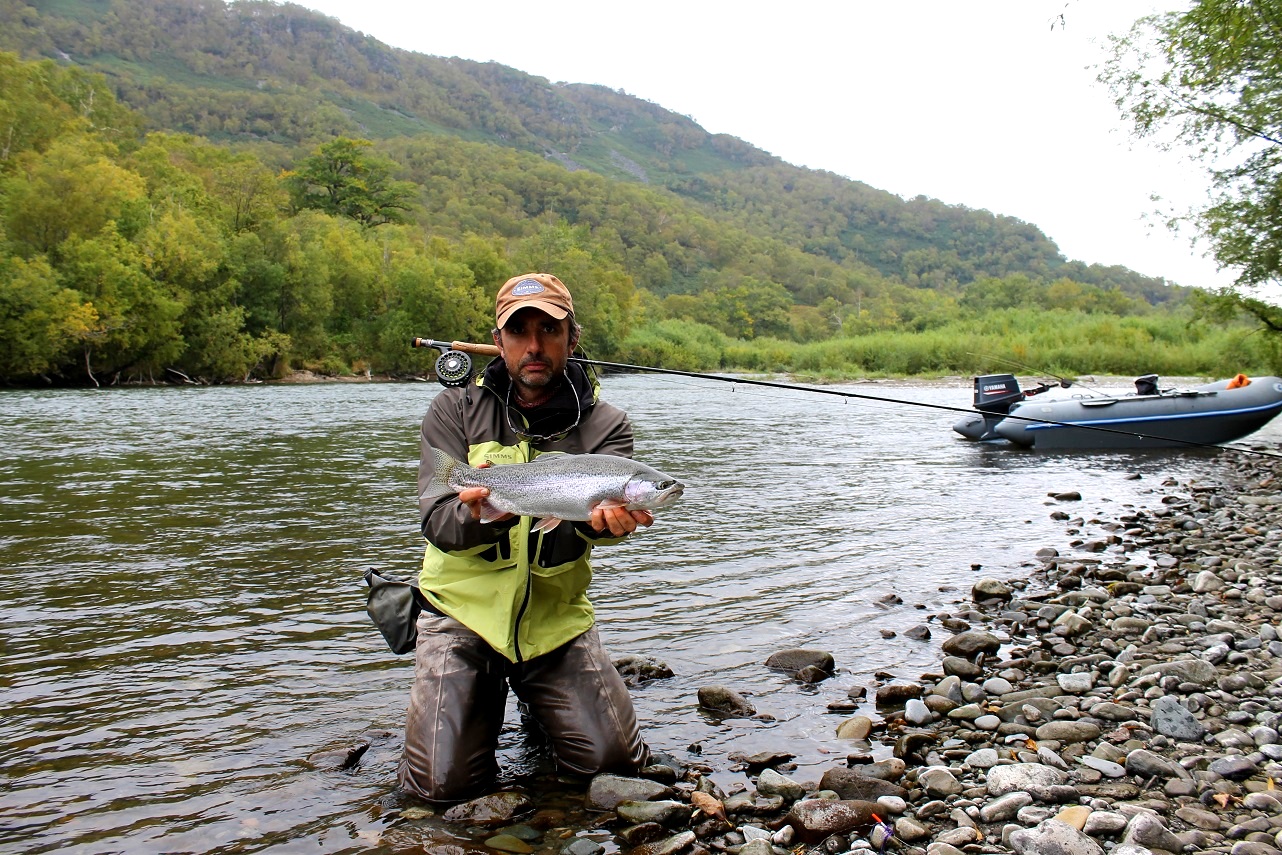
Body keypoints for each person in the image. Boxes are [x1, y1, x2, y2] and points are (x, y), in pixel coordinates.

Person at [399, 272, 653, 802]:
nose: (533, 346)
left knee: (614, 769)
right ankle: (486, 695)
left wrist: (609, 527)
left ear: (572, 339)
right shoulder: (455, 409)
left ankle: (540, 701)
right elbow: (436, 523)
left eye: (549, 330)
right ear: (499, 342)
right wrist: (482, 514)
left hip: (555, 623)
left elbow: (594, 528)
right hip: (462, 617)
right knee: (441, 789)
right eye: (518, 331)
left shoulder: (606, 425)